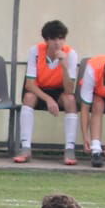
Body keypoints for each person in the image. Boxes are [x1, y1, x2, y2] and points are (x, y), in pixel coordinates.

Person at [16, 19, 81, 165]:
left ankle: (69, 150)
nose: (58, 43)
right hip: (40, 90)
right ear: (46, 40)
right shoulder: (36, 51)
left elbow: (70, 90)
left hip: (60, 90)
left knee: (70, 100)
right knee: (28, 97)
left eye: (61, 38)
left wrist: (64, 66)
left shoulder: (70, 54)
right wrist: (48, 99)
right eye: (53, 39)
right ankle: (25, 147)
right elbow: (30, 84)